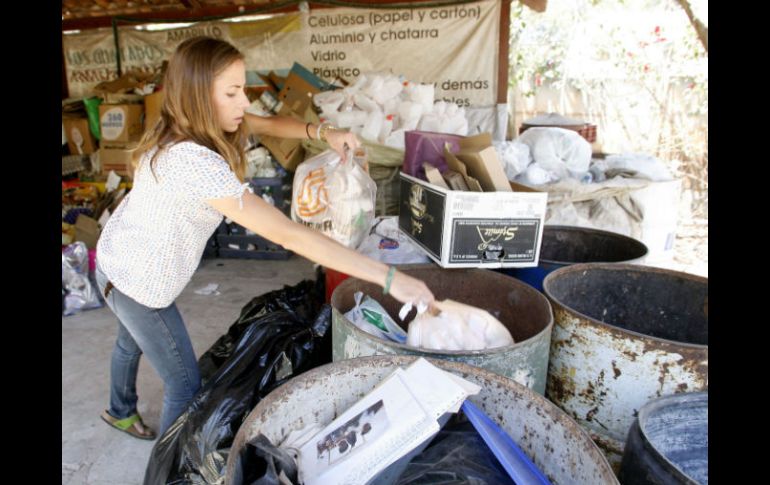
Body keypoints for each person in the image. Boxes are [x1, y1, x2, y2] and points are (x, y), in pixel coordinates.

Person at [95, 36, 435, 440]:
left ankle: (119, 410)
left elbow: (268, 123)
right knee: (185, 386)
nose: (244, 104)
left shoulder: (187, 125)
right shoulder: (194, 162)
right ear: (199, 96)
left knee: (129, 343)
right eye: (232, 92)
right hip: (140, 286)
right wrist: (388, 277)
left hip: (113, 262)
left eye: (244, 90)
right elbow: (288, 233)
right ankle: (171, 473)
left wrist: (322, 131)